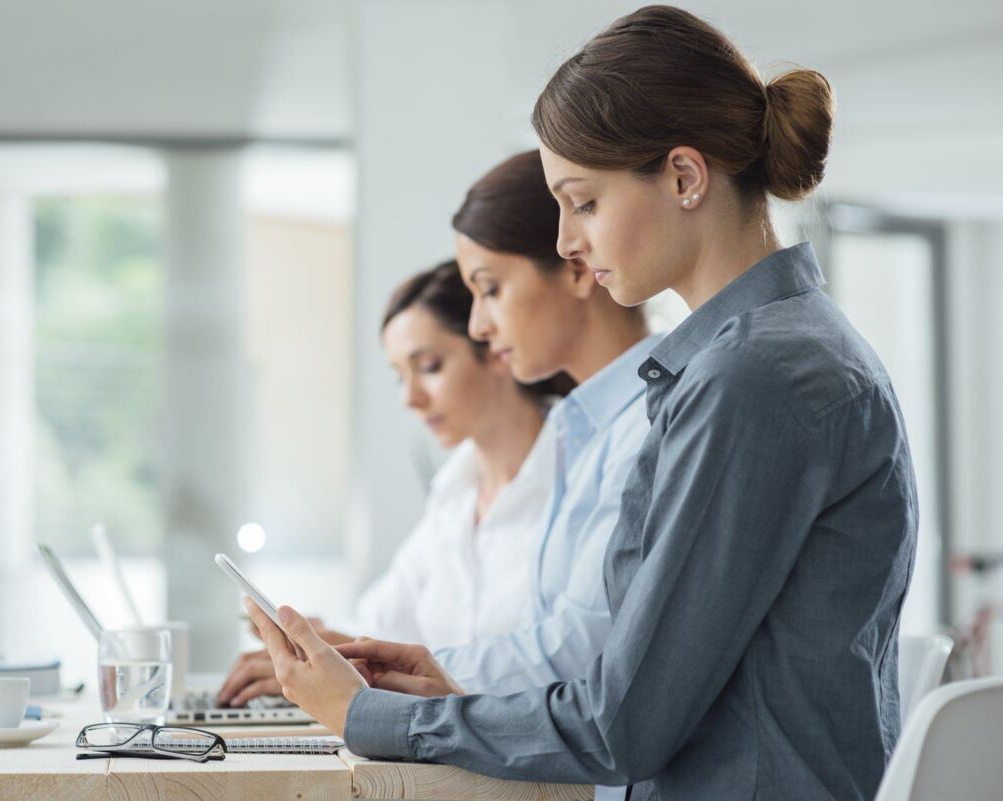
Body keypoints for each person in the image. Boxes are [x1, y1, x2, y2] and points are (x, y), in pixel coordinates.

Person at [244, 6, 918, 801]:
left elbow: (622, 724)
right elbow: (631, 688)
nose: (566, 240)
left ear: (684, 177)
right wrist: (447, 686)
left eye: (583, 202)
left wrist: (370, 718)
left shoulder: (752, 379)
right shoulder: (765, 357)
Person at [220, 150, 657, 713]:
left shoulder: (633, 430)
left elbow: (582, 651)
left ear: (575, 266)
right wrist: (344, 651)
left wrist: (395, 671)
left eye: (491, 289)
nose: (482, 327)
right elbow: (395, 618)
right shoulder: (553, 443)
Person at [217, 259, 566, 707]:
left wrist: (355, 654)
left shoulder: (576, 475)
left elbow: (566, 657)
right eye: (400, 375)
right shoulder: (455, 495)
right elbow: (382, 618)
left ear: (495, 344)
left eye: (430, 366)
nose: (409, 397)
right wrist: (323, 642)